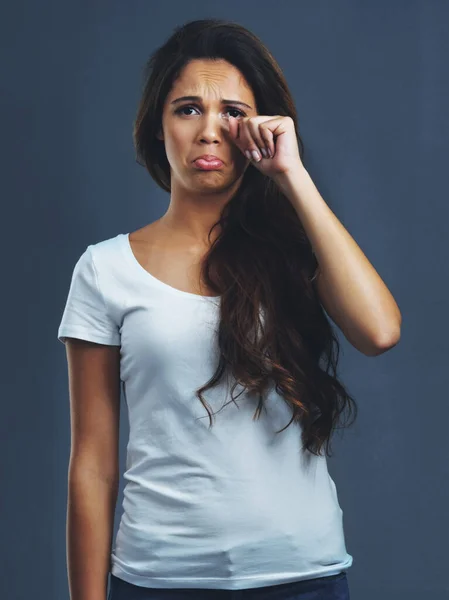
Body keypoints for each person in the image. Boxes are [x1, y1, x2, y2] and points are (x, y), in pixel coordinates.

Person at [58, 17, 400, 600]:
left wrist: (292, 175)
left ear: (262, 127)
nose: (210, 131)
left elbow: (379, 330)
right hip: (159, 580)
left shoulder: (296, 251)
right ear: (157, 127)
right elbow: (92, 465)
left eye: (233, 112)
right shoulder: (104, 270)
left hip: (303, 577)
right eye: (188, 109)